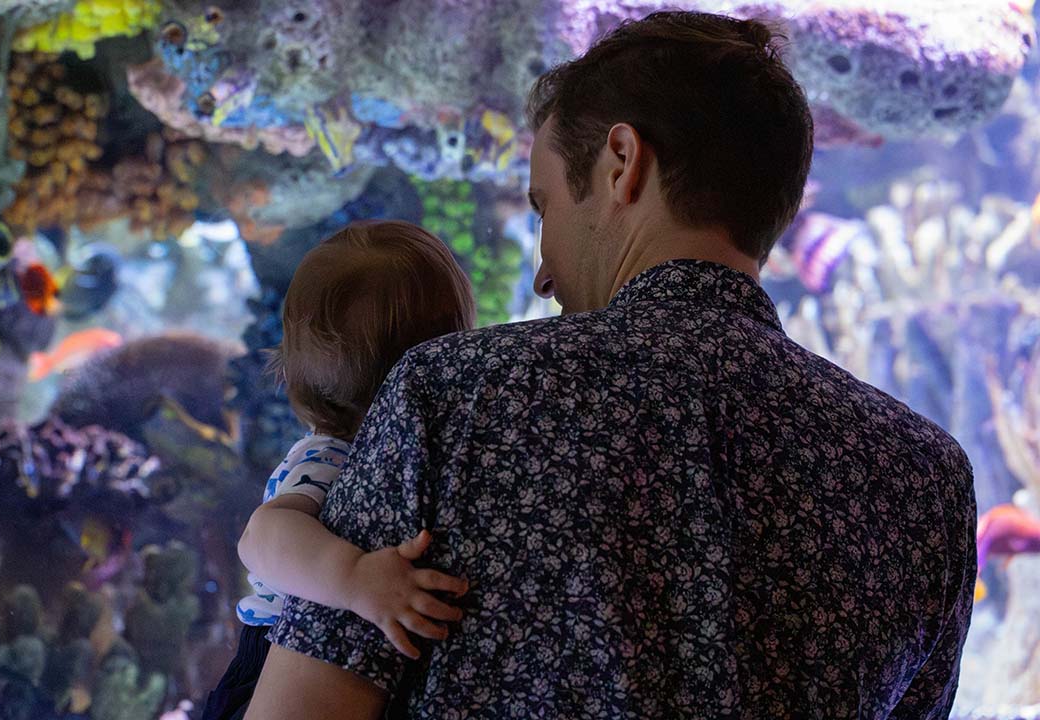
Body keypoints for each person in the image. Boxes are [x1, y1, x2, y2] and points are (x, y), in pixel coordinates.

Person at [247, 11, 977, 720]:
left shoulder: (454, 396)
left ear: (622, 163)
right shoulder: (927, 481)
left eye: (544, 209)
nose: (542, 274)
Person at [202, 220, 476, 720]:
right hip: (268, 669)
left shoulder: (399, 458)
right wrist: (353, 577)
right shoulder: (329, 459)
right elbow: (260, 538)